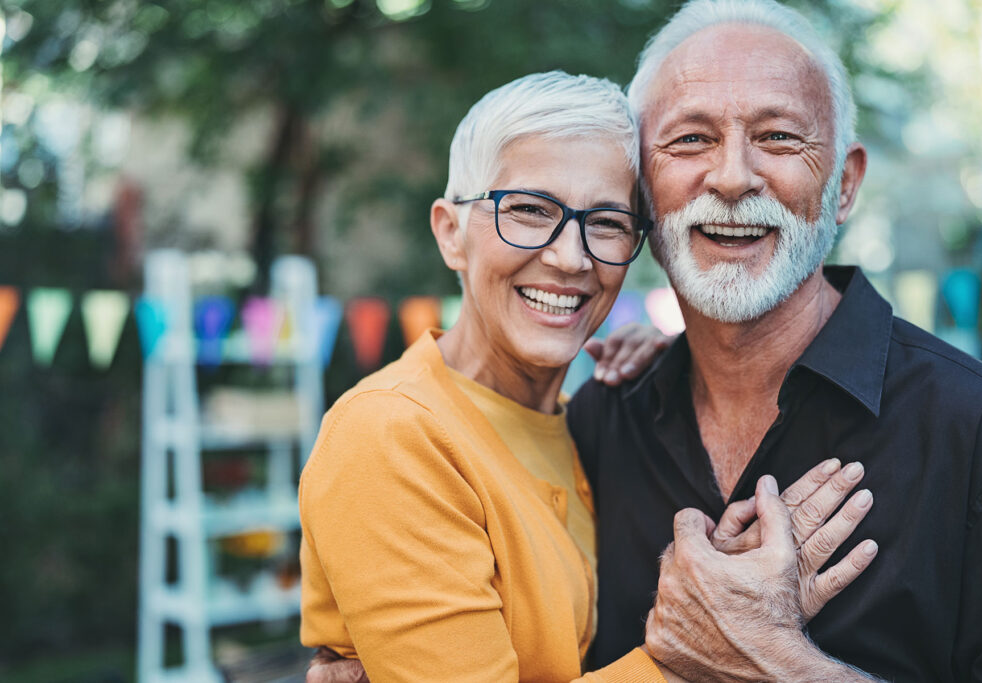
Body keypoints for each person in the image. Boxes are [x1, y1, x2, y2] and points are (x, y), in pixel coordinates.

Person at [299, 71, 879, 682]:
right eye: (527, 210)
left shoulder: (584, 415)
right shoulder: (391, 433)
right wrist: (698, 653)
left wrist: (729, 578)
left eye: (606, 223)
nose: (570, 258)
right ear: (450, 233)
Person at [569, 1, 982, 681]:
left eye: (778, 137)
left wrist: (778, 660)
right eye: (690, 139)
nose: (731, 178)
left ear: (843, 184)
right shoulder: (600, 420)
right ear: (640, 188)